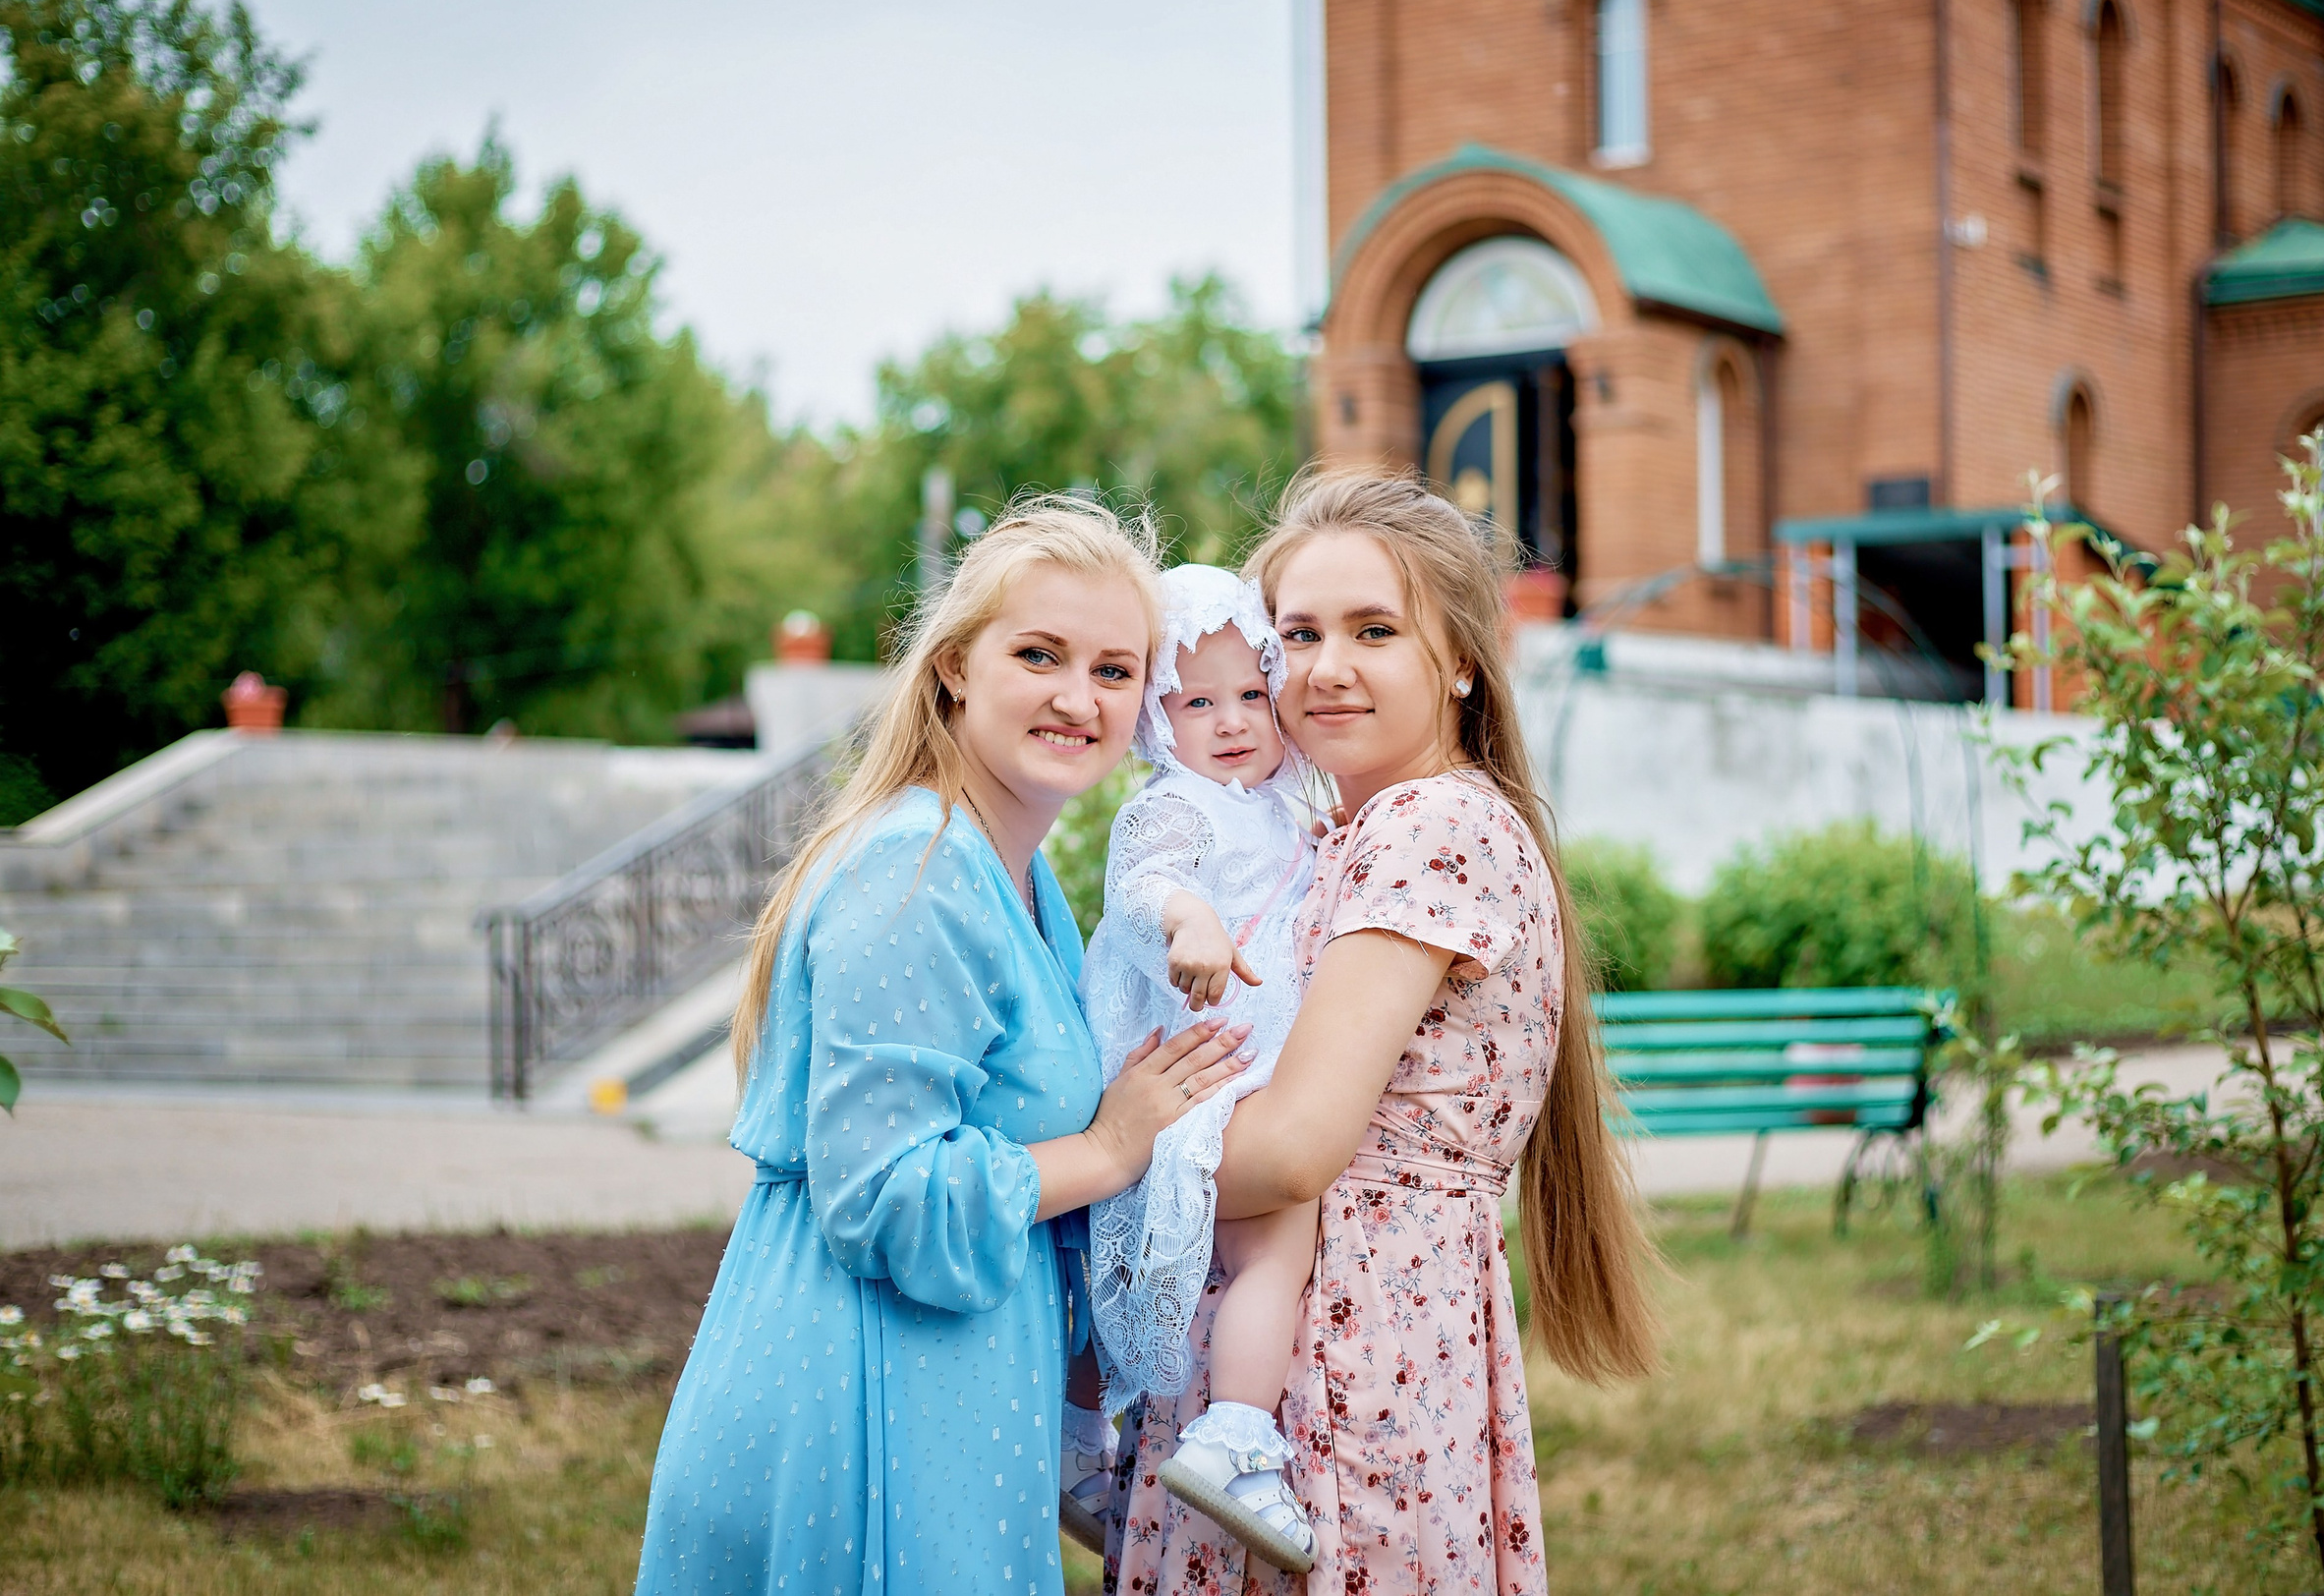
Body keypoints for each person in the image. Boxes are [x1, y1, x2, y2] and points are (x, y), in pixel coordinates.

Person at [634, 495, 1251, 1596]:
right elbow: (884, 1194)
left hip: (950, 1396)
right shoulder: (913, 873)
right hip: (859, 1405)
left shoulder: (1018, 876)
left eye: (1115, 670)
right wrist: (1111, 1149)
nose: (1078, 696)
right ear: (955, 667)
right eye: (1039, 653)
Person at [1110, 467, 1661, 1594]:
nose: (1324, 667)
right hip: (1342, 1326)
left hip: (1343, 1352)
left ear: (1458, 657)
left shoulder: (1428, 823)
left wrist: (1105, 1153)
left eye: (1373, 630)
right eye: (1298, 634)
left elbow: (1296, 1149)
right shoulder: (1353, 827)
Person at [1067, 564, 1323, 1573]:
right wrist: (1192, 919)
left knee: (1223, 1253)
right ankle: (1236, 1434)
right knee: (1275, 1245)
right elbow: (1142, 884)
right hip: (1204, 1067)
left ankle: (1096, 1439)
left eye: (1251, 695)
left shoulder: (1282, 800)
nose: (1229, 721)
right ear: (1155, 723)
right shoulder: (1175, 805)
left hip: (1245, 1060)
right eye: (1194, 701)